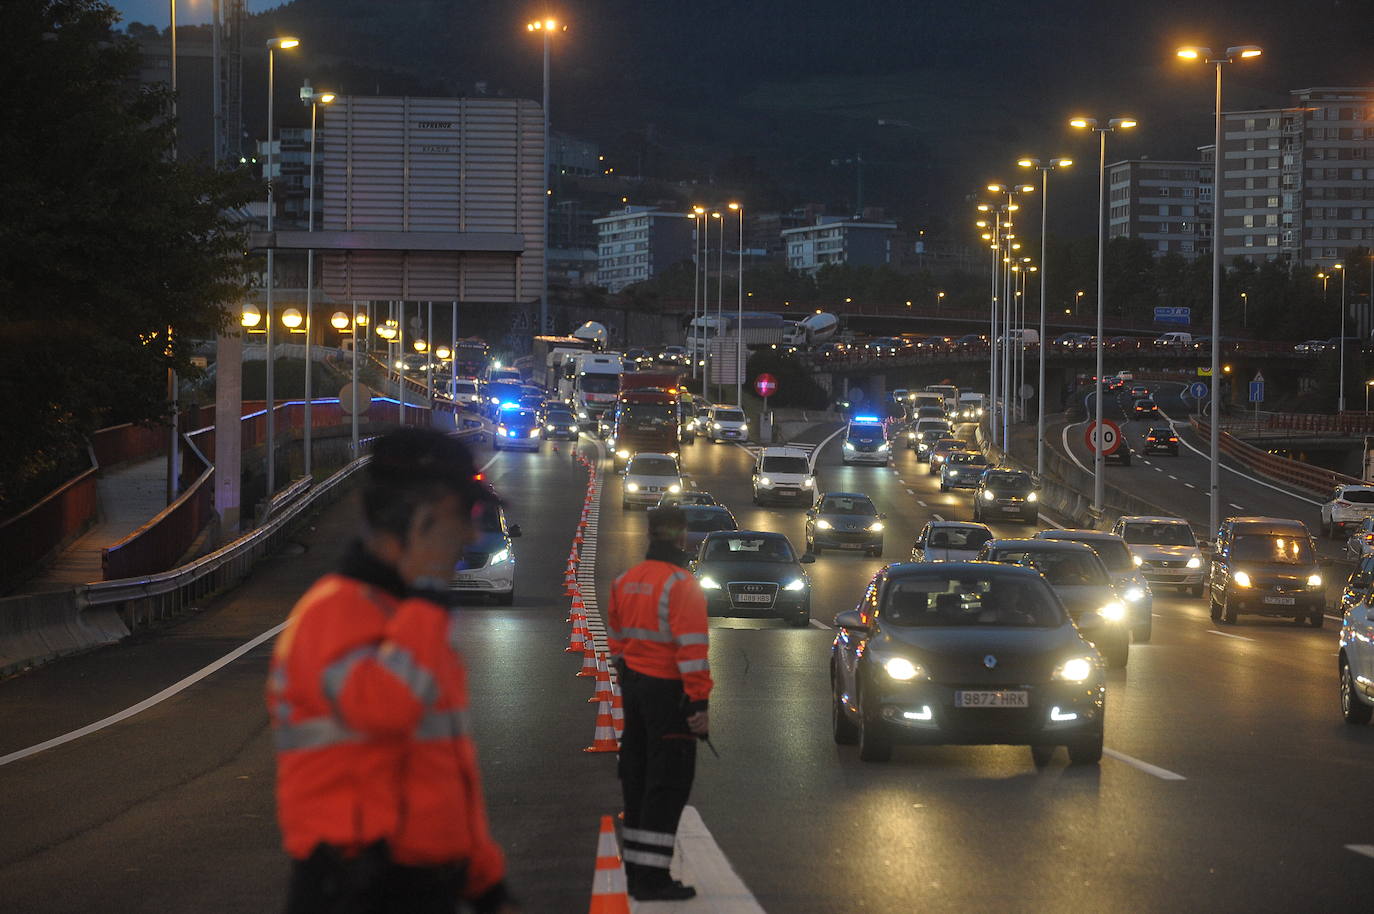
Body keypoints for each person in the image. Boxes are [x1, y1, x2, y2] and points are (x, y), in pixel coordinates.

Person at [267, 428, 516, 914]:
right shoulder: (336, 613)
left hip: (424, 887)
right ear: (422, 518)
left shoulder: (408, 620)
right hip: (357, 889)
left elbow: (444, 769)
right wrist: (427, 591)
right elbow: (385, 712)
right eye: (463, 515)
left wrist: (488, 887)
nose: (470, 533)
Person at [607, 506, 713, 902]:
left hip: (634, 690)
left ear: (650, 534)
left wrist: (630, 676)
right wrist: (698, 703)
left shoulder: (625, 580)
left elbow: (616, 639)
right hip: (669, 694)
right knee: (666, 785)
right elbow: (692, 652)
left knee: (636, 781)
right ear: (682, 536)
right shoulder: (681, 584)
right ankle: (652, 879)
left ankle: (637, 871)